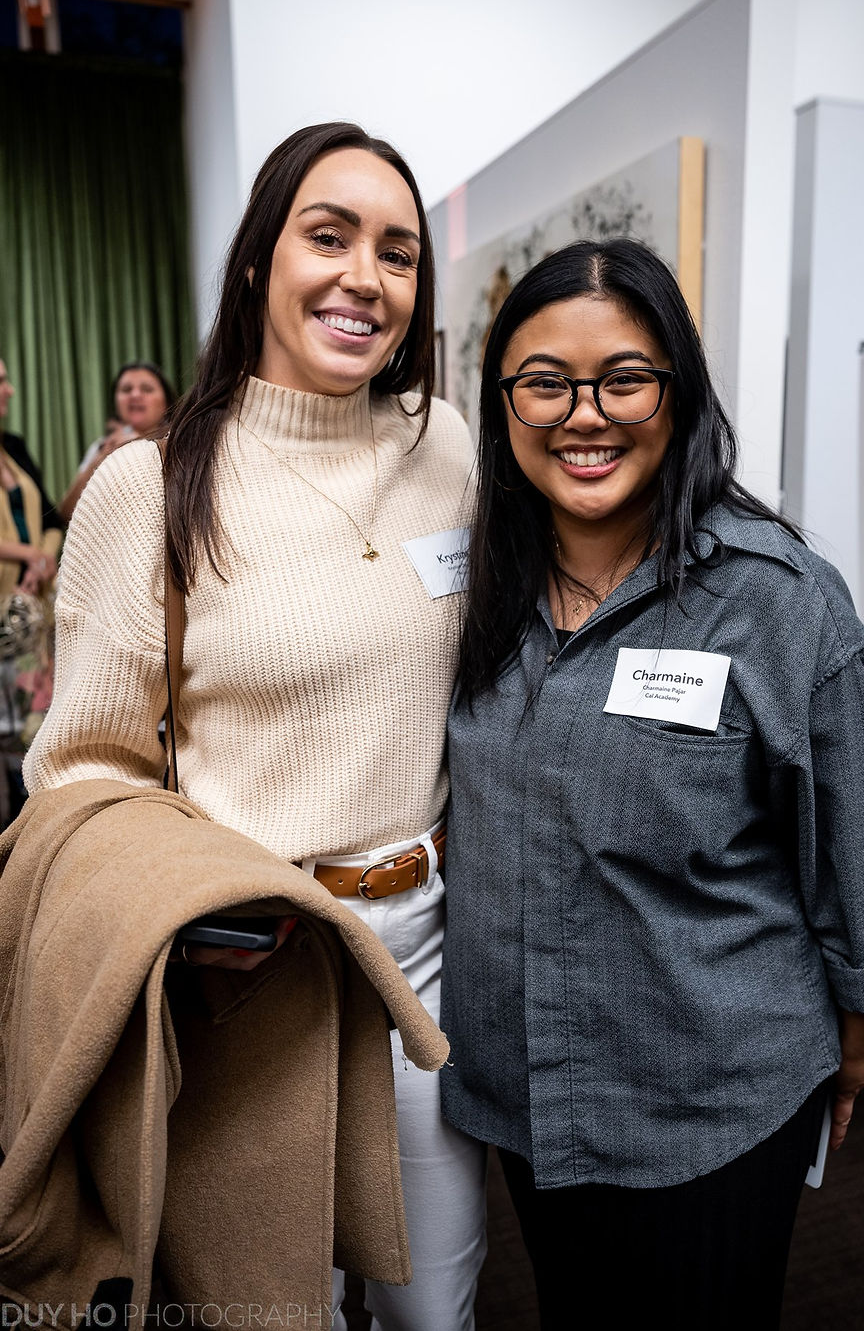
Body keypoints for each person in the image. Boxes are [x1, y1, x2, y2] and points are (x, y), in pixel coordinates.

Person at [25, 122, 485, 1330]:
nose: (363, 277)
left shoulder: (444, 444)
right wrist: (199, 921)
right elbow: (80, 770)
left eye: (396, 252)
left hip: (430, 950)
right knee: (273, 1305)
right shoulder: (151, 484)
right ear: (254, 260)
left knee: (434, 1304)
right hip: (258, 968)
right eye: (327, 236)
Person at [440, 239, 864, 1329]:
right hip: (524, 1093)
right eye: (544, 382)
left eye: (623, 378)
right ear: (502, 402)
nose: (583, 415)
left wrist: (856, 1044)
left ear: (680, 390)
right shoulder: (478, 590)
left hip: (710, 1105)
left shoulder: (778, 602)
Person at [0, 358, 64, 766]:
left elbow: (52, 519)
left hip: (35, 599)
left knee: (36, 720)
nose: (9, 390)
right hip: (4, 604)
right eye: (0, 382)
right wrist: (28, 554)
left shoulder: (15, 447)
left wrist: (42, 560)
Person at [59, 360, 176, 520]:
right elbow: (66, 513)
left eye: (147, 389)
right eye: (126, 390)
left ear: (166, 402)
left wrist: (139, 444)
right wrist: (101, 458)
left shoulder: (179, 443)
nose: (135, 395)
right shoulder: (101, 447)